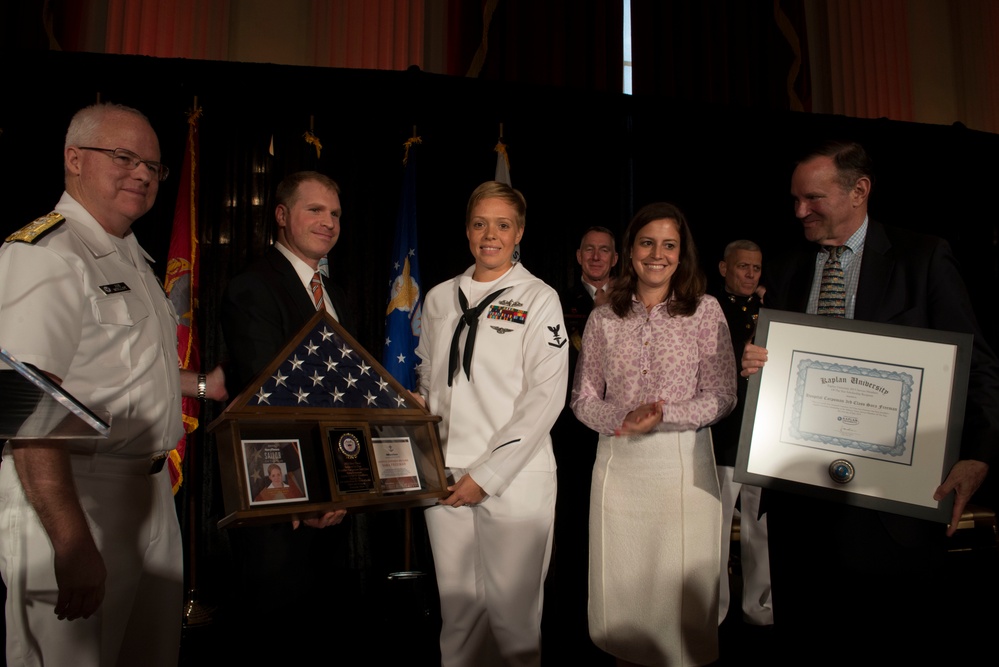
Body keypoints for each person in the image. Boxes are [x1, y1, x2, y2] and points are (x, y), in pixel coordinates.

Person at [741, 141, 999, 659]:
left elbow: (979, 365)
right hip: (801, 511)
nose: (799, 212)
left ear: (859, 191)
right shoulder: (789, 267)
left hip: (892, 514)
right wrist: (757, 368)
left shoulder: (922, 257)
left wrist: (978, 456)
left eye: (812, 199)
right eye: (794, 200)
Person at [0, 102, 227, 667]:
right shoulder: (47, 254)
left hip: (148, 494)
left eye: (153, 165)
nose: (143, 174)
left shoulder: (130, 254)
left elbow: (121, 368)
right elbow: (24, 401)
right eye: (123, 157)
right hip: (78, 496)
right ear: (74, 159)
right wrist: (72, 539)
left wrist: (203, 385)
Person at [572, 202, 736, 666]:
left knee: (677, 606)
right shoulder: (605, 317)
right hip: (619, 469)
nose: (657, 254)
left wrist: (662, 416)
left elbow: (723, 395)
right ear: (631, 250)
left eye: (669, 244)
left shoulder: (705, 311)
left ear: (682, 254)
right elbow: (582, 398)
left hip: (682, 470)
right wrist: (623, 423)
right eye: (647, 243)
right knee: (624, 601)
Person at [415, 181, 568, 666]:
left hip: (514, 479)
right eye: (480, 223)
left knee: (513, 621)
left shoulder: (539, 298)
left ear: (519, 231)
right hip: (446, 478)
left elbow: (545, 398)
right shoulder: (440, 298)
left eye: (503, 225)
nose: (490, 235)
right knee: (458, 616)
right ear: (466, 230)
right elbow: (428, 382)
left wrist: (489, 475)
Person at [220, 171, 350, 657]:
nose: (328, 222)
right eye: (314, 210)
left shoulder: (340, 293)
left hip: (338, 499)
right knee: (277, 638)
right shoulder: (254, 287)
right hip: (284, 503)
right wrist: (310, 492)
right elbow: (271, 400)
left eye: (335, 213)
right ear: (281, 215)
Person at [547, 226, 619, 661]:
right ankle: (570, 616)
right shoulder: (556, 301)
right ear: (578, 256)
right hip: (567, 432)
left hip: (620, 431)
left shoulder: (632, 301)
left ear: (616, 258)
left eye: (604, 250)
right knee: (572, 521)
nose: (596, 256)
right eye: (589, 249)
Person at [710, 240, 772, 627]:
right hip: (723, 437)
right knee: (713, 533)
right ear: (723, 268)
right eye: (742, 267)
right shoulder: (706, 309)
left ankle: (760, 609)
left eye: (756, 268)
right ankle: (713, 611)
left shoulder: (772, 311)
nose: (750, 274)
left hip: (765, 437)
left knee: (761, 530)